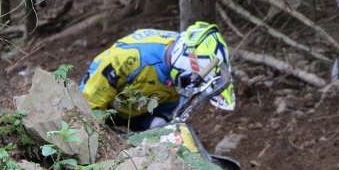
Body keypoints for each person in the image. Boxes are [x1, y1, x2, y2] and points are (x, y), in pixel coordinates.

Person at [80, 21, 235, 131]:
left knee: (166, 131)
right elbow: (91, 100)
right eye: (189, 82)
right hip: (102, 102)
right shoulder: (131, 58)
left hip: (142, 110)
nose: (190, 86)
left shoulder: (183, 67)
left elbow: (173, 110)